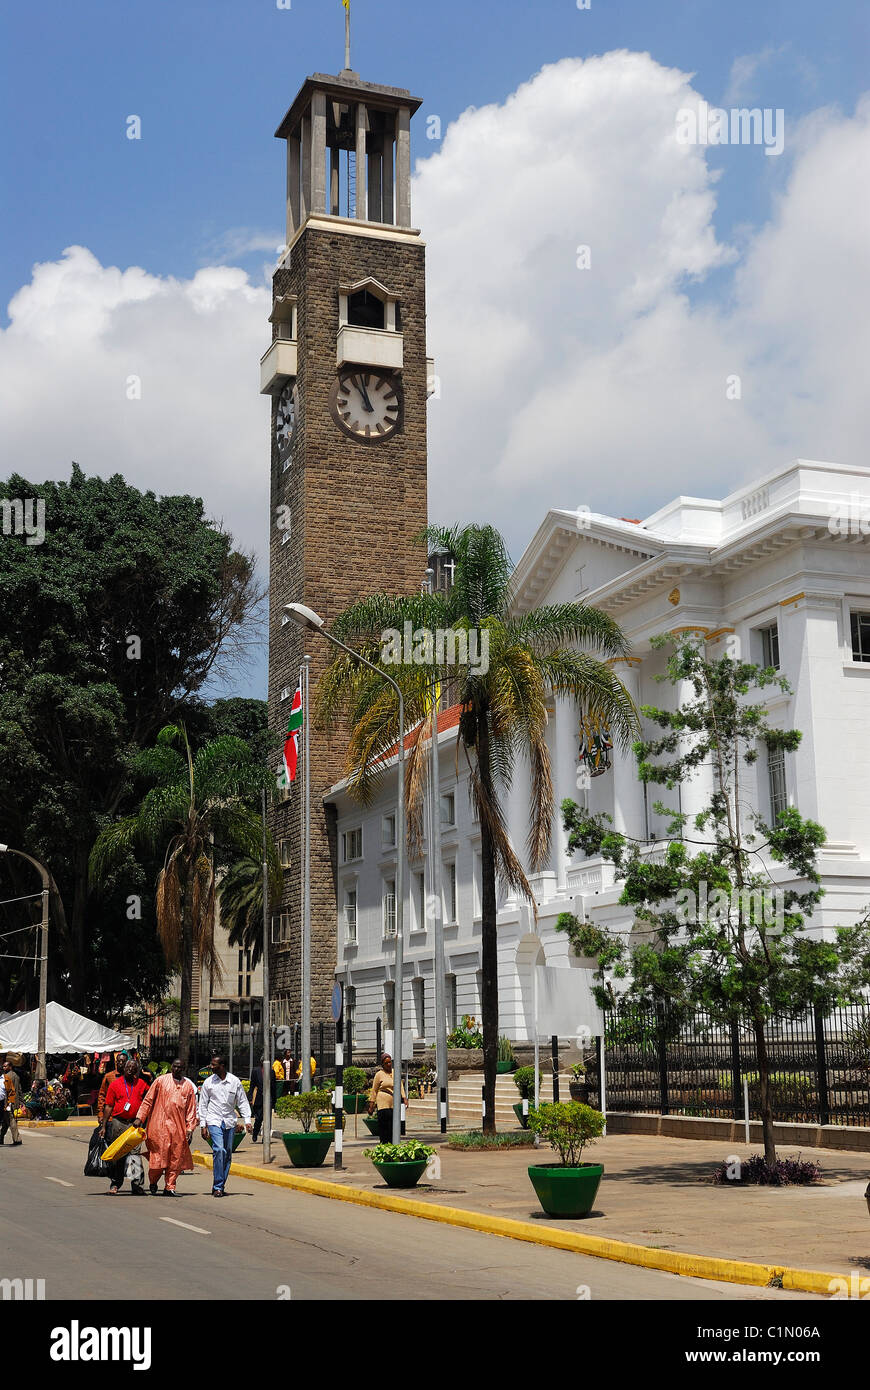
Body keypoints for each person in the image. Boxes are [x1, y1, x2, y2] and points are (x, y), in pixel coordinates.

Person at [133, 1058, 197, 1196]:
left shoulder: (188, 1086)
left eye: (180, 1067)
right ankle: (153, 1181)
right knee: (158, 1158)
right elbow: (148, 1100)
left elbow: (191, 1110)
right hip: (158, 1127)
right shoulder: (161, 1081)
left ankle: (169, 1187)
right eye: (174, 1066)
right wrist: (140, 1118)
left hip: (178, 1129)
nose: (177, 1069)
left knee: (176, 1158)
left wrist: (190, 1128)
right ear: (171, 1067)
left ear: (184, 1069)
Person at [198, 1054, 252, 1197]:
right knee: (219, 1150)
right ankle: (218, 1186)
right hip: (214, 1120)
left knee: (227, 1154)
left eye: (213, 1064)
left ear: (222, 1066)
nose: (210, 1067)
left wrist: (247, 1120)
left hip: (229, 1121)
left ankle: (219, 1185)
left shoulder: (234, 1082)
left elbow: (242, 1102)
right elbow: (202, 1105)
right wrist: (203, 1125)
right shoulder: (208, 1083)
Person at [101, 1057, 149, 1195]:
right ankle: (116, 1183)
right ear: (124, 1069)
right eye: (128, 1068)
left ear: (136, 1071)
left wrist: (142, 1118)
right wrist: (104, 1125)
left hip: (135, 1124)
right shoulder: (115, 1085)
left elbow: (149, 1098)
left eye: (133, 1068)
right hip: (119, 1122)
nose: (130, 1070)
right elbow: (109, 1106)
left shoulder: (141, 1084)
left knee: (134, 1155)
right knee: (119, 1154)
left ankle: (137, 1185)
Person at [368, 1054, 408, 1141]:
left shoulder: (395, 1072)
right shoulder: (379, 1074)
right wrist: (371, 1105)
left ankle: (392, 1144)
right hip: (383, 1103)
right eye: (386, 1063)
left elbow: (400, 1085)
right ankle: (384, 1144)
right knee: (384, 1126)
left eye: (390, 1062)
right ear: (382, 1064)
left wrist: (404, 1098)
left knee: (393, 1126)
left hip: (393, 1103)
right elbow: (374, 1090)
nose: (389, 1064)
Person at [96, 1051, 129, 1124]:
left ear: (127, 1063)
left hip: (127, 1117)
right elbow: (102, 1095)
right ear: (116, 1062)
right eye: (119, 1061)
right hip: (111, 1116)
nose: (120, 1063)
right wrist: (101, 1113)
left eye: (123, 1061)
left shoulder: (130, 1077)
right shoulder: (109, 1076)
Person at [0, 1061, 23, 1145]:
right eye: (3, 1066)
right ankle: (1, 1138)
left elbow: (6, 1091)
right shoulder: (16, 1076)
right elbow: (19, 1089)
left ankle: (17, 1139)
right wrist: (21, 1101)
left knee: (11, 1120)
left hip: (8, 1102)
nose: (3, 1068)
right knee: (6, 1122)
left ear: (10, 1067)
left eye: (5, 1066)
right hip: (14, 1102)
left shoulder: (7, 1077)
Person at [249, 1057, 265, 1143]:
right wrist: (250, 1097)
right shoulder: (256, 1071)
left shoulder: (271, 1071)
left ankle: (265, 1137)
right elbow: (252, 1085)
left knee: (267, 1119)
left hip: (267, 1099)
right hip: (258, 1098)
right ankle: (255, 1132)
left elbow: (273, 1086)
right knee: (259, 1118)